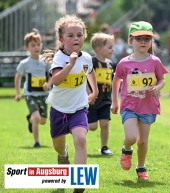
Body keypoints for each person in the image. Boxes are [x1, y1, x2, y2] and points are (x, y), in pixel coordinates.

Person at [44, 15, 98, 193]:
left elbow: (90, 72)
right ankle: (63, 155)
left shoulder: (87, 58)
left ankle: (79, 182)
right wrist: (70, 64)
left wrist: (94, 91)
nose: (76, 38)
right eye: (70, 35)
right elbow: (57, 80)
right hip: (59, 109)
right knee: (58, 146)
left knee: (81, 139)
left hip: (79, 108)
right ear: (61, 39)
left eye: (79, 34)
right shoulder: (59, 58)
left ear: (84, 36)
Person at [110, 21, 168, 180]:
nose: (143, 42)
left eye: (146, 39)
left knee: (142, 142)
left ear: (151, 41)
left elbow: (162, 79)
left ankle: (141, 167)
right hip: (129, 106)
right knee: (131, 137)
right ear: (130, 41)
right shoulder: (124, 63)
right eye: (138, 38)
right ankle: (126, 149)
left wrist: (158, 87)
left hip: (148, 106)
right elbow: (116, 80)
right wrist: (115, 102)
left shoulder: (155, 61)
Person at [14, 29, 52, 148]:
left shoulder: (45, 61)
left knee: (43, 120)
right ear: (27, 48)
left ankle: (30, 120)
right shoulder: (24, 63)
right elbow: (18, 77)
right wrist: (18, 93)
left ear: (41, 45)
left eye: (38, 45)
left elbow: (51, 75)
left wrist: (48, 84)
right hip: (30, 95)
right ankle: (36, 142)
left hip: (43, 95)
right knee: (36, 117)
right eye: (33, 45)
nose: (36, 47)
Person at [88, 32, 114, 155]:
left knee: (105, 123)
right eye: (109, 47)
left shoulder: (110, 64)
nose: (112, 50)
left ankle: (104, 147)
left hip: (105, 100)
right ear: (99, 49)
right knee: (92, 127)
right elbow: (85, 79)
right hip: (93, 100)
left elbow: (112, 80)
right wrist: (89, 93)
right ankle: (76, 128)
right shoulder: (91, 63)